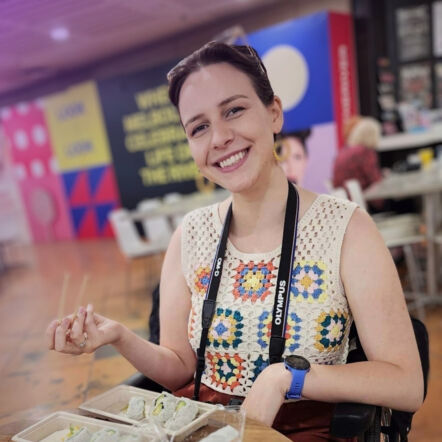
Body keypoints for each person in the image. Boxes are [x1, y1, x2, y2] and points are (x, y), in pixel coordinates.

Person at [46, 42, 423, 441]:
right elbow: (179, 367)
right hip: (207, 428)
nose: (220, 137)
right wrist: (119, 335)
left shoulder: (346, 229)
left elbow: (405, 383)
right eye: (199, 127)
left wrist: (285, 379)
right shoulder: (190, 236)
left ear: (273, 112)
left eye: (234, 110)